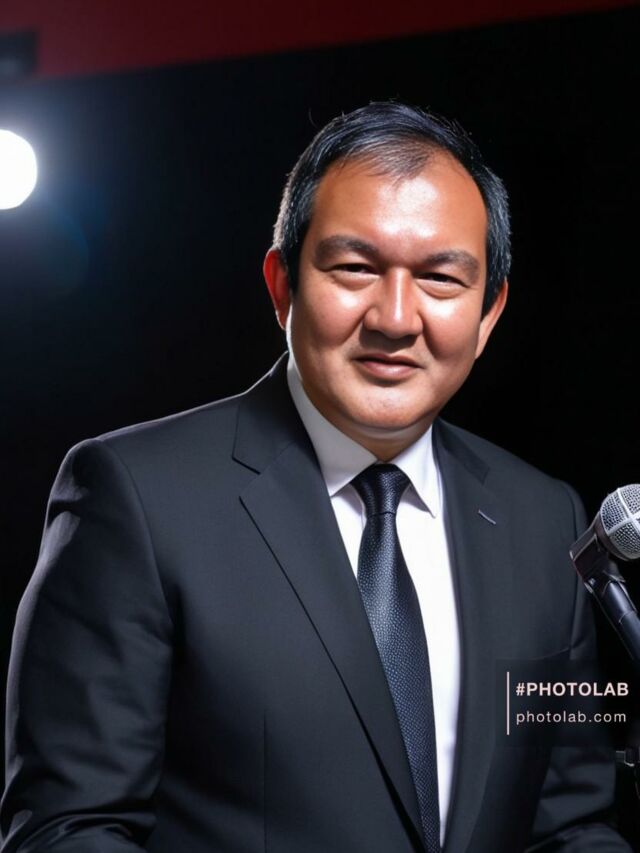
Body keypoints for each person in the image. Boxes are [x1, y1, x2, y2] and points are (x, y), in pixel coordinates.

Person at [1, 102, 630, 852]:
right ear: (282, 285)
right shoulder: (135, 499)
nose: (395, 318)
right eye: (356, 268)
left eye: (440, 278)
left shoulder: (545, 521)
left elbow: (569, 825)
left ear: (489, 311)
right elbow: (70, 830)